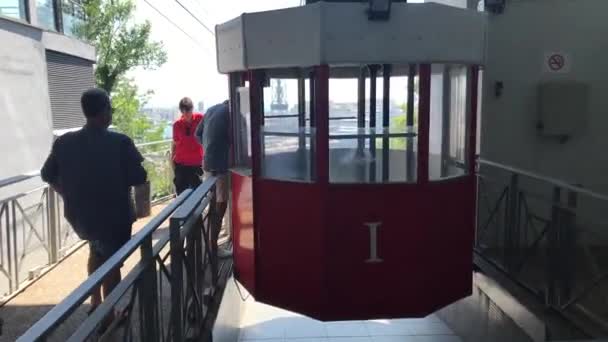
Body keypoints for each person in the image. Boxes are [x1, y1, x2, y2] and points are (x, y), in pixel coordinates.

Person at [41, 88, 147, 327]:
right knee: (112, 264)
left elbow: (47, 174)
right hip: (115, 217)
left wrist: (68, 194)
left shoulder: (64, 142)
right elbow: (140, 176)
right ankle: (108, 318)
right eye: (109, 108)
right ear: (104, 112)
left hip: (81, 218)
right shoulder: (120, 142)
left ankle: (96, 302)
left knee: (96, 251)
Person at [195, 100, 232, 259]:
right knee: (221, 204)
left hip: (208, 162)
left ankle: (211, 244)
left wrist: (208, 148)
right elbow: (238, 138)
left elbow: (197, 133)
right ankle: (213, 247)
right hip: (221, 165)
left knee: (213, 202)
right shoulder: (231, 113)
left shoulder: (210, 110)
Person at [172, 97, 204, 195]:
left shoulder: (200, 119)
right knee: (181, 193)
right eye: (183, 112)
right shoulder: (177, 125)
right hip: (181, 164)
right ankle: (182, 210)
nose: (186, 114)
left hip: (197, 163)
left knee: (198, 193)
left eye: (188, 111)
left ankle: (197, 211)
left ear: (192, 109)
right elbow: (175, 144)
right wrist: (172, 160)